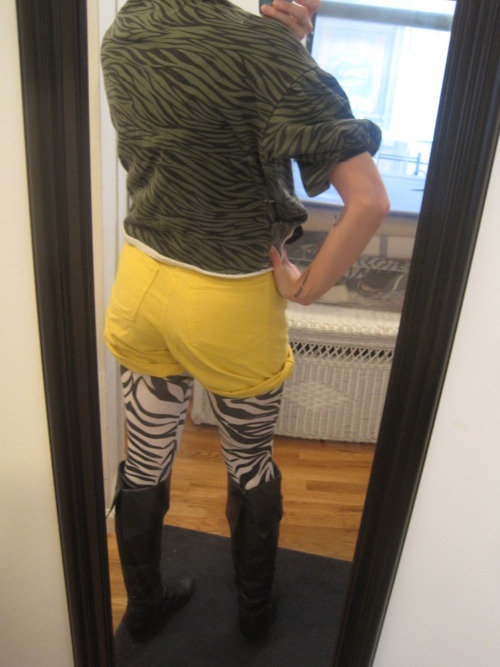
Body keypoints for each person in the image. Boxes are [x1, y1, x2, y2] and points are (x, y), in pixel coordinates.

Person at [101, 0, 389, 644]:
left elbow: (202, 131)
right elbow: (369, 200)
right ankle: (255, 614)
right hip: (227, 299)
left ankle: (144, 606)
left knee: (143, 461)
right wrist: (307, 288)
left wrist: (278, 43)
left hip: (141, 280)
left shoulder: (127, 26)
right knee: (250, 464)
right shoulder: (267, 50)